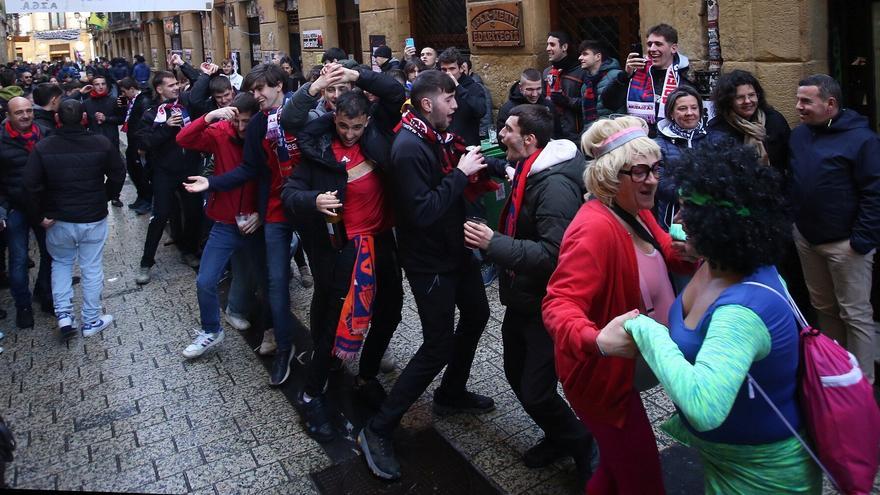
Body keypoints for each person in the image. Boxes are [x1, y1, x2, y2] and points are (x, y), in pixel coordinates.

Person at [618, 143, 822, 494]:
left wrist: (644, 329)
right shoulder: (724, 259)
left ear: (717, 225)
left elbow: (704, 407)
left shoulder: (741, 311)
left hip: (764, 475)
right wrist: (691, 246)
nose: (677, 222)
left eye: (685, 215)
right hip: (724, 459)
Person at [542, 115, 695, 493]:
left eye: (656, 169)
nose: (653, 179)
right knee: (643, 481)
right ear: (611, 176)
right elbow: (557, 303)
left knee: (614, 471)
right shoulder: (594, 228)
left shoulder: (636, 210)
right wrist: (597, 340)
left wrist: (692, 249)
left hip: (628, 371)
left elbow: (667, 253)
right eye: (640, 171)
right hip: (601, 379)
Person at [358, 70, 495, 481]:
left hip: (456, 249)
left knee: (477, 315)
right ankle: (378, 427)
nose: (456, 106)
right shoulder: (408, 147)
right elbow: (421, 212)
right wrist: (461, 174)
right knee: (436, 345)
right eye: (449, 99)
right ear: (427, 104)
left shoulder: (436, 137)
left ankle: (451, 392)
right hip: (428, 261)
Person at [463, 104, 594, 487]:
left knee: (535, 391)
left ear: (530, 140)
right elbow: (513, 181)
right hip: (523, 296)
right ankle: (559, 437)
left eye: (507, 130)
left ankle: (583, 444)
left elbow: (554, 254)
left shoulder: (554, 188)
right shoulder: (529, 170)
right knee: (514, 373)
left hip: (545, 302)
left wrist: (495, 243)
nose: (500, 136)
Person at [282, 67, 405, 442]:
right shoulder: (319, 151)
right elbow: (289, 193)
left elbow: (395, 91)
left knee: (390, 311)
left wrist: (357, 73)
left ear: (367, 121)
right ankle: (312, 392)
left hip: (381, 241)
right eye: (343, 126)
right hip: (344, 248)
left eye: (356, 127)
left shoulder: (376, 138)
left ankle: (365, 375)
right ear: (334, 117)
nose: (349, 133)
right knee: (337, 322)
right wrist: (312, 200)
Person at [184, 63, 309, 386]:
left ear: (279, 85)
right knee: (275, 281)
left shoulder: (303, 111)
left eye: (259, 90)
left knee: (331, 281)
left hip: (312, 205)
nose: (256, 96)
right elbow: (250, 171)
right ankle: (284, 347)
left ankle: (333, 348)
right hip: (275, 213)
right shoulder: (257, 127)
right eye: (252, 91)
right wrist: (211, 185)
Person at [790, 74, 880, 383]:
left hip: (846, 246)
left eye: (806, 101)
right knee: (824, 309)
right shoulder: (799, 136)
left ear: (830, 104)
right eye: (798, 99)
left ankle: (863, 386)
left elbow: (874, 191)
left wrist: (862, 240)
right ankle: (837, 374)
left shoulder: (863, 140)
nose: (798, 106)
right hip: (807, 239)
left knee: (855, 315)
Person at [22, 99, 125, 339]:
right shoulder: (100, 143)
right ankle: (91, 319)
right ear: (84, 118)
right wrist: (107, 196)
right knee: (91, 267)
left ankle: (64, 316)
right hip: (92, 216)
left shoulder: (44, 147)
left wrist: (39, 216)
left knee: (61, 264)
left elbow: (30, 185)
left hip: (59, 219)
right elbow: (118, 172)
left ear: (57, 119)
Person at [175, 93, 265, 358]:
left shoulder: (263, 136)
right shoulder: (221, 131)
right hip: (225, 222)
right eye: (236, 120)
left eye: (246, 121)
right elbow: (184, 139)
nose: (240, 127)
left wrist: (261, 214)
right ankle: (211, 330)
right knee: (205, 280)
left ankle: (269, 330)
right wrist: (208, 117)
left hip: (256, 222)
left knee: (267, 280)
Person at [134, 71, 204, 284]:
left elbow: (200, 84)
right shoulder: (150, 113)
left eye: (177, 84)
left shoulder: (187, 104)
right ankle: (146, 262)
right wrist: (166, 128)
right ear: (159, 89)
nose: (175, 88)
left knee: (193, 213)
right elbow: (144, 143)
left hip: (189, 168)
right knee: (161, 215)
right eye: (171, 85)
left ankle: (188, 250)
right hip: (164, 171)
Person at [0, 96, 53, 326]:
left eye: (28, 111)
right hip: (16, 208)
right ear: (8, 116)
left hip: (43, 207)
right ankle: (23, 305)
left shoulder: (44, 133)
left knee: (50, 254)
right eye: (19, 112)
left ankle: (44, 292)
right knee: (19, 259)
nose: (25, 116)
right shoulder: (1, 141)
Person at [707, 70, 791, 174]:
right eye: (740, 97)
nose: (747, 101)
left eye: (751, 95)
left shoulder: (774, 120)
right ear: (728, 101)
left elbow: (789, 159)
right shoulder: (717, 129)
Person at [653, 86, 708, 231]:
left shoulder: (713, 139)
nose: (689, 113)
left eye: (694, 108)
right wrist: (688, 194)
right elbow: (659, 183)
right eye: (682, 109)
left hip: (709, 218)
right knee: (678, 251)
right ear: (671, 113)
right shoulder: (658, 145)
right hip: (672, 219)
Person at [624, 23, 691, 130]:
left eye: (658, 44)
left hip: (674, 138)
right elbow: (610, 103)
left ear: (673, 48)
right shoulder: (636, 72)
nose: (652, 49)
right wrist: (625, 75)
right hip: (639, 137)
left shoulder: (685, 75)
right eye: (649, 44)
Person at [83, 76, 124, 207]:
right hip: (93, 143)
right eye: (97, 84)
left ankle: (114, 196)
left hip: (111, 140)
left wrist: (107, 118)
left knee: (116, 172)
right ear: (92, 86)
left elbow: (122, 118)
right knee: (96, 172)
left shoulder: (114, 100)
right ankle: (99, 197)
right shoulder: (86, 103)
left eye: (103, 84)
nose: (100, 87)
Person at [118, 77, 153, 215]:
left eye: (124, 91)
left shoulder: (143, 101)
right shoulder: (133, 101)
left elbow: (143, 125)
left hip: (138, 143)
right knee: (134, 171)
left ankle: (147, 200)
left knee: (142, 173)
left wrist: (142, 146)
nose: (123, 94)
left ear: (132, 89)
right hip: (132, 141)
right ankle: (141, 197)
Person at [438, 48, 486, 147]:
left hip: (468, 146)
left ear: (461, 68)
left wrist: (458, 88)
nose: (448, 73)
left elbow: (480, 111)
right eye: (444, 69)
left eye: (452, 69)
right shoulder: (438, 88)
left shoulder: (474, 87)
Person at [544, 31, 585, 141]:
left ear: (564, 47)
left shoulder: (581, 72)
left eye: (552, 45)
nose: (547, 48)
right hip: (551, 133)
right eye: (547, 44)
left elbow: (589, 103)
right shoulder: (547, 72)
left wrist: (567, 101)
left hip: (575, 135)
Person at [577, 40, 626, 125]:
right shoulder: (585, 86)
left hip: (616, 130)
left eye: (585, 54)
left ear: (598, 57)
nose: (580, 58)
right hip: (593, 133)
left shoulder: (616, 76)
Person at [496, 69, 555, 136]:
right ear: (520, 87)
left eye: (538, 89)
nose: (534, 94)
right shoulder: (507, 109)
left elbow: (558, 134)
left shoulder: (548, 106)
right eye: (530, 89)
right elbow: (502, 140)